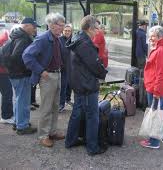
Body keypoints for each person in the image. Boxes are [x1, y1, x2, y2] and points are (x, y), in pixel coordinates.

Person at [65, 15, 108, 156]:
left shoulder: (78, 38)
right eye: (97, 28)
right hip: (87, 85)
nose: (98, 31)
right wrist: (103, 72)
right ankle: (92, 147)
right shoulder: (85, 43)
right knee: (92, 116)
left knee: (77, 113)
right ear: (89, 28)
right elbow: (95, 65)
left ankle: (70, 141)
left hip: (79, 83)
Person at [23, 13, 66, 147]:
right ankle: (43, 136)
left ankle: (52, 131)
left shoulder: (57, 38)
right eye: (60, 25)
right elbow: (27, 56)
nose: (63, 28)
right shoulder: (43, 39)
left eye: (63, 25)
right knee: (46, 108)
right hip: (48, 77)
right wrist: (41, 71)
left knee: (55, 106)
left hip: (57, 75)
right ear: (52, 25)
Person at [140, 25, 163, 149]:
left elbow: (161, 73)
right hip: (158, 88)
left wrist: (157, 92)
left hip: (156, 88)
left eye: (152, 36)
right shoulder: (162, 48)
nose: (150, 38)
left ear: (159, 37)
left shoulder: (161, 51)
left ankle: (154, 141)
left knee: (155, 114)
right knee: (161, 112)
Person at [9, 18, 40, 135]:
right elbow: (18, 56)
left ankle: (17, 122)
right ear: (26, 26)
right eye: (34, 26)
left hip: (14, 73)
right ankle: (22, 126)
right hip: (21, 74)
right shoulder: (23, 38)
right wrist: (28, 68)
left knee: (18, 99)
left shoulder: (15, 35)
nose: (35, 29)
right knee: (23, 101)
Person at [0, 30, 14, 124]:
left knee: (7, 94)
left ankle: (7, 115)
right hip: (3, 73)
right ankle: (6, 116)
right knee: (7, 94)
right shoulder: (5, 39)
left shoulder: (4, 37)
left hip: (3, 72)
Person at [59, 24, 73, 112]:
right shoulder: (59, 40)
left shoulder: (73, 40)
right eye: (66, 30)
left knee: (70, 85)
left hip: (72, 67)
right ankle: (61, 104)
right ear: (63, 31)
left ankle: (68, 99)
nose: (67, 32)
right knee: (63, 86)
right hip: (63, 68)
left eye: (69, 31)